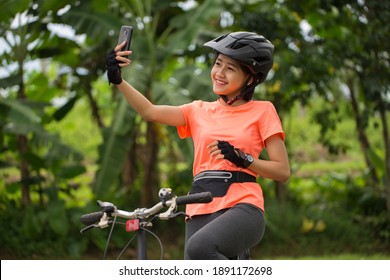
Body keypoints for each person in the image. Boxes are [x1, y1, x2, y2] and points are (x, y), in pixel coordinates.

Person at [105, 31, 290, 260]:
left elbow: (282, 171)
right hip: (198, 207)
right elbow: (150, 112)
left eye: (230, 68)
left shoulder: (263, 111)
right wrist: (118, 80)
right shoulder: (198, 110)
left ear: (251, 78)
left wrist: (243, 159)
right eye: (218, 64)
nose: (219, 73)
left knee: (200, 249)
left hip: (242, 206)